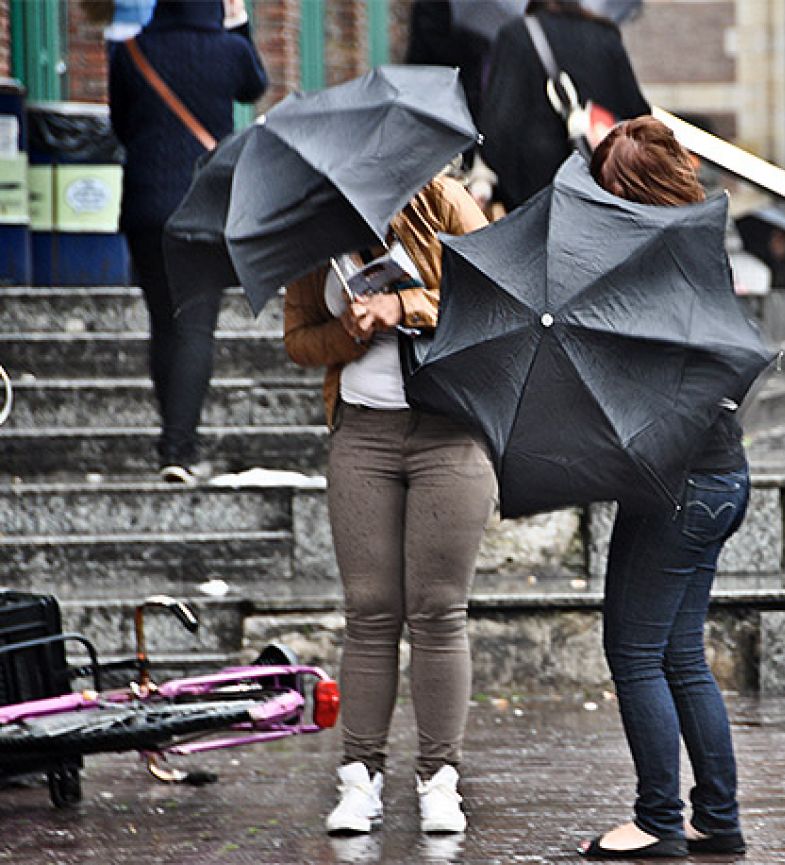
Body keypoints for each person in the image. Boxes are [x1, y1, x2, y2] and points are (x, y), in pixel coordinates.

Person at [282, 176, 497, 836]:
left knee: (437, 609)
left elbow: (496, 301)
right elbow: (298, 338)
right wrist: (347, 332)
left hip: (449, 432)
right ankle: (359, 777)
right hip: (361, 436)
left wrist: (402, 305)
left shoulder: (445, 204)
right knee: (370, 610)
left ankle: (439, 777)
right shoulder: (313, 228)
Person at [577, 116, 749, 860]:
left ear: (629, 190)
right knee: (678, 652)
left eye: (608, 185)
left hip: (676, 483)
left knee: (635, 651)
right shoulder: (700, 250)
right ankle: (715, 815)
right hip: (719, 475)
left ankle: (656, 820)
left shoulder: (650, 266)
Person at [108, 0, 267, 483]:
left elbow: (122, 125)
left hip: (146, 206)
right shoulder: (228, 52)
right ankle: (179, 448)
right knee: (196, 328)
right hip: (204, 207)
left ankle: (172, 440)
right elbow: (255, 84)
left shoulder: (131, 51)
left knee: (163, 324)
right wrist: (239, 24)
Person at [480, 0, 649, 211]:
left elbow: (497, 125)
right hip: (598, 189)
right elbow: (638, 115)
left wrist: (505, 190)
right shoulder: (605, 35)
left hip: (537, 193)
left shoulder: (517, 35)